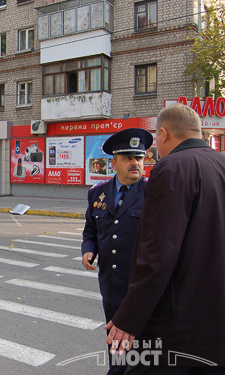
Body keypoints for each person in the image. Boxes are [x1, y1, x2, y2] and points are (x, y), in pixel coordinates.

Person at [106, 103, 225, 373]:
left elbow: (158, 254)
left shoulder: (171, 168)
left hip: (179, 325)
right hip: (216, 322)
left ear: (163, 134)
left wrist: (129, 317)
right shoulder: (220, 163)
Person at [82, 128, 153, 375]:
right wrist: (88, 250)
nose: (135, 163)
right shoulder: (97, 193)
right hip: (111, 286)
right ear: (114, 162)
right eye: (128, 158)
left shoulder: (153, 192)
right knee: (116, 345)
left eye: (139, 158)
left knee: (143, 350)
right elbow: (90, 228)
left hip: (141, 288)